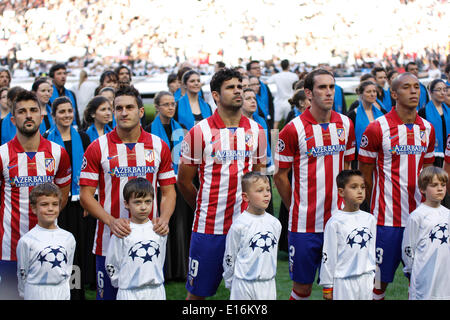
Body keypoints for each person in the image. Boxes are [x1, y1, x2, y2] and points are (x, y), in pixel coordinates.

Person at [79, 85, 176, 300]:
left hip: (148, 239)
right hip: (107, 241)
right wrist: (111, 221)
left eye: (130, 107)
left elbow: (169, 192)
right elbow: (86, 196)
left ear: (141, 111)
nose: (124, 112)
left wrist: (165, 218)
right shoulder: (98, 147)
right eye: (119, 108)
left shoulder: (159, 146)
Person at [177, 68, 267, 300]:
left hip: (247, 226)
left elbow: (259, 177)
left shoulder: (257, 130)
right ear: (215, 95)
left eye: (240, 86)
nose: (237, 91)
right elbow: (184, 181)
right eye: (230, 87)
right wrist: (202, 206)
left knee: (248, 292)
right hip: (210, 228)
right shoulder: (200, 132)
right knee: (197, 295)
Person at [274, 68, 355, 300]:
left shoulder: (346, 125)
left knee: (338, 288)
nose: (329, 92)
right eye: (322, 87)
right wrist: (296, 208)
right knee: (302, 290)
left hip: (339, 220)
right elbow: (280, 176)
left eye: (331, 87)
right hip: (305, 225)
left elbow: (348, 167)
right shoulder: (293, 129)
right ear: (308, 93)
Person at [358, 72, 436, 300]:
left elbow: (428, 174)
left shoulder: (427, 129)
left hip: (420, 220)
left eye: (417, 87)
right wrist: (379, 204)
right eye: (406, 87)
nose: (414, 91)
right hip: (386, 221)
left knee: (421, 281)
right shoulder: (376, 128)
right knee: (377, 284)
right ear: (393, 93)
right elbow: (366, 177)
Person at [0, 90, 71, 300]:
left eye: (33, 110)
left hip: (47, 246)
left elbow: (62, 197)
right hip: (9, 248)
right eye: (22, 111)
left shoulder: (58, 153)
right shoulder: (2, 155)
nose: (28, 115)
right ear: (13, 119)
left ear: (42, 116)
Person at [44, 96, 92, 299]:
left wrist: (88, 200)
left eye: (69, 111)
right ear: (53, 115)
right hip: (55, 204)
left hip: (79, 202)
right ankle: (58, 290)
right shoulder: (45, 138)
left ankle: (76, 292)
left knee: (77, 250)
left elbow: (90, 171)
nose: (66, 115)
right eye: (61, 112)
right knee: (58, 249)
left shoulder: (82, 137)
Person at [144, 91, 192, 281]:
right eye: (166, 104)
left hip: (177, 181)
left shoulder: (181, 128)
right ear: (156, 106)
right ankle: (160, 268)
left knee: (178, 227)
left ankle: (178, 269)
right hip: (155, 184)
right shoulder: (147, 130)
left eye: (173, 104)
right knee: (159, 225)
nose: (171, 107)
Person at [105, 178, 167, 300]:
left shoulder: (158, 230)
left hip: (156, 291)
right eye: (138, 202)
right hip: (129, 292)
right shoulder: (122, 231)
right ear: (127, 204)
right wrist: (122, 282)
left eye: (148, 201)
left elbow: (161, 259)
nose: (143, 207)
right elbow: (111, 263)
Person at [222, 172, 281, 300]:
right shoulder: (239, 225)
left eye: (268, 190)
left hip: (268, 285)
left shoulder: (275, 224)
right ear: (245, 197)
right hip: (242, 285)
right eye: (260, 190)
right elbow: (229, 257)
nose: (266, 194)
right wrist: (230, 282)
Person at [319, 170, 376, 300]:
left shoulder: (370, 219)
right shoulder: (335, 222)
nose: (360, 191)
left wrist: (374, 279)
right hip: (344, 282)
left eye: (362, 187)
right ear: (341, 192)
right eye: (354, 187)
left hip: (366, 281)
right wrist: (328, 286)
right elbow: (328, 256)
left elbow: (372, 253)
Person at [16, 182, 76, 300]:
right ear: (34, 208)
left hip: (61, 291)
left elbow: (68, 268)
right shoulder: (26, 241)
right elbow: (22, 272)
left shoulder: (68, 238)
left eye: (54, 204)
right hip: (35, 292)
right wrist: (25, 293)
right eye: (44, 204)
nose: (50, 209)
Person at [401, 166, 450, 300]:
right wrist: (411, 271)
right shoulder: (417, 216)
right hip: (423, 275)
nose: (440, 188)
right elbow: (408, 247)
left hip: (445, 276)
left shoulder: (448, 214)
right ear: (422, 189)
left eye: (443, 185)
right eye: (434, 185)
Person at [347, 81, 387, 169]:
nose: (372, 94)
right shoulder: (352, 116)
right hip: (360, 161)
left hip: (381, 159)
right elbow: (349, 142)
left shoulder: (383, 113)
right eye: (368, 92)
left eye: (374, 91)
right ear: (361, 94)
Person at [418, 79, 449, 167]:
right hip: (432, 154)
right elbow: (421, 133)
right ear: (431, 92)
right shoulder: (423, 111)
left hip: (447, 152)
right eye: (439, 90)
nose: (442, 93)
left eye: (444, 90)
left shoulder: (448, 111)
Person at [267, 59, 298, 130]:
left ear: (281, 66)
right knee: (291, 123)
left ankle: (274, 141)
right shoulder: (294, 76)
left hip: (279, 102)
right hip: (290, 102)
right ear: (288, 66)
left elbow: (266, 82)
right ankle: (288, 140)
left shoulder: (277, 76)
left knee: (276, 123)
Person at [48, 63, 81, 128]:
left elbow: (76, 116)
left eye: (64, 73)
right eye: (59, 73)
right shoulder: (48, 94)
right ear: (52, 77)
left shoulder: (71, 94)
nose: (63, 76)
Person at [247, 60, 275, 129]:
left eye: (259, 68)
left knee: (273, 137)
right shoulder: (245, 89)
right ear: (248, 71)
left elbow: (271, 107)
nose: (258, 70)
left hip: (267, 123)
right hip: (252, 127)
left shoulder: (264, 87)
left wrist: (272, 128)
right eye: (255, 68)